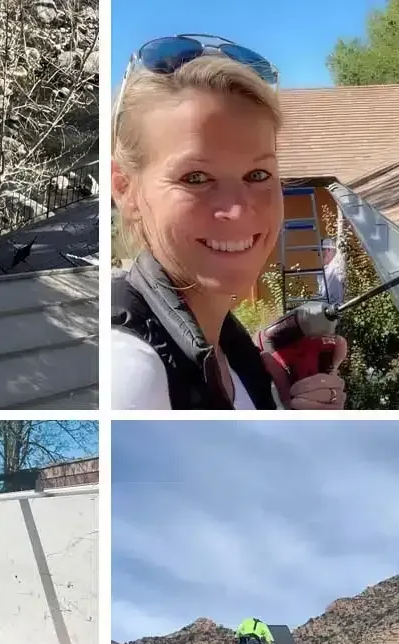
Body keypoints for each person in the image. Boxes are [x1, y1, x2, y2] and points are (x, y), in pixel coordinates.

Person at [111, 34, 347, 410]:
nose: (237, 211)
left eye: (257, 175)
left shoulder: (236, 355)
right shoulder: (132, 374)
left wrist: (279, 405)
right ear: (125, 190)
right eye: (195, 178)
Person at [320, 237, 346, 306]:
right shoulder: (325, 269)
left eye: (321, 250)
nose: (319, 254)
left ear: (328, 250)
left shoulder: (337, 265)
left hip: (338, 307)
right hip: (328, 307)